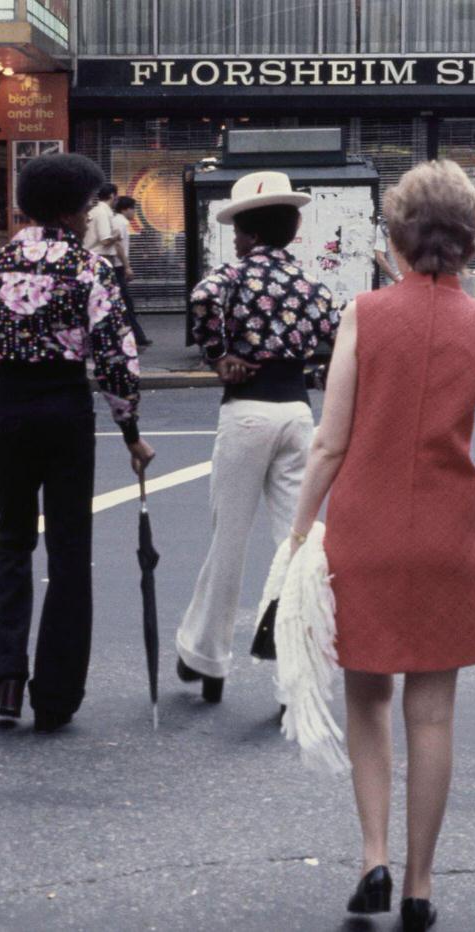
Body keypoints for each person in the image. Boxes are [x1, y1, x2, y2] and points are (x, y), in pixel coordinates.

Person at [287, 161, 475, 932]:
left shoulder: (363, 314)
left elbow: (327, 444)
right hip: (449, 539)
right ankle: (421, 884)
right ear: (472, 247)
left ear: (392, 239)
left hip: (364, 530)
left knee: (368, 699)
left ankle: (373, 856)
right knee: (433, 715)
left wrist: (296, 539)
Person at [0, 153, 154, 733]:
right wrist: (130, 430)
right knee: (69, 553)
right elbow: (116, 360)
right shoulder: (89, 268)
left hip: (15, 410)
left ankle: (7, 676)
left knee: (12, 540)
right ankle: (55, 695)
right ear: (77, 210)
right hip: (68, 410)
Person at [175, 172, 340, 704]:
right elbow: (333, 342)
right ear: (292, 230)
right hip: (296, 412)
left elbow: (202, 298)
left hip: (245, 413)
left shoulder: (229, 278)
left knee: (229, 540)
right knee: (294, 541)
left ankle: (208, 657)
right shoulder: (312, 286)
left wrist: (218, 353)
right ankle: (296, 674)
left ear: (245, 234)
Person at [110, 195, 150, 347]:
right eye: (133, 209)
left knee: (125, 303)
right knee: (126, 303)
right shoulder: (120, 223)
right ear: (125, 209)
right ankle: (137, 338)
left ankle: (137, 337)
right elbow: (118, 246)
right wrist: (126, 266)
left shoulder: (119, 222)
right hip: (118, 266)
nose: (134, 212)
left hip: (118, 266)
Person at [82, 181, 119, 260]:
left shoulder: (97, 210)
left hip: (94, 255)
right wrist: (117, 235)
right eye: (117, 195)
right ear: (112, 195)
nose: (118, 198)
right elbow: (105, 241)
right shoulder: (102, 213)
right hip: (100, 257)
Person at [374, 213, 402, 285]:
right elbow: (380, 257)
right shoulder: (383, 227)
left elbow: (380, 257)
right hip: (396, 284)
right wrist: (396, 279)